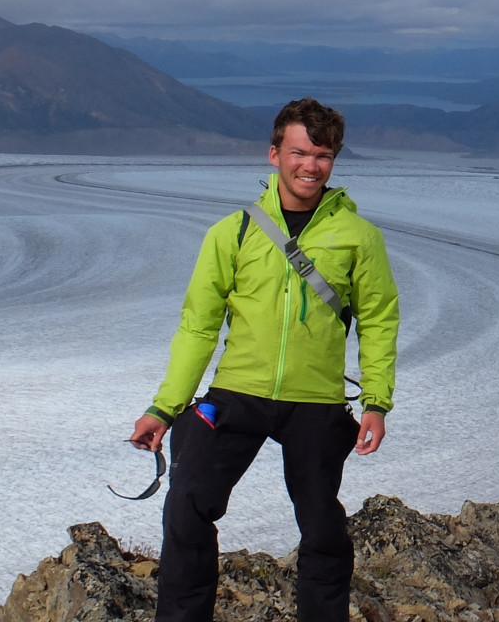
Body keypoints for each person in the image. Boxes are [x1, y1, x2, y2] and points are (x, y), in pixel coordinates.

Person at [130, 97, 399, 622]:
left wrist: (376, 401)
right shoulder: (232, 233)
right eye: (300, 152)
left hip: (316, 401)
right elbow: (198, 326)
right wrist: (165, 409)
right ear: (273, 154)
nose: (310, 165)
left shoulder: (359, 238)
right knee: (186, 507)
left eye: (323, 155)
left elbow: (379, 320)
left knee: (323, 528)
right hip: (238, 394)